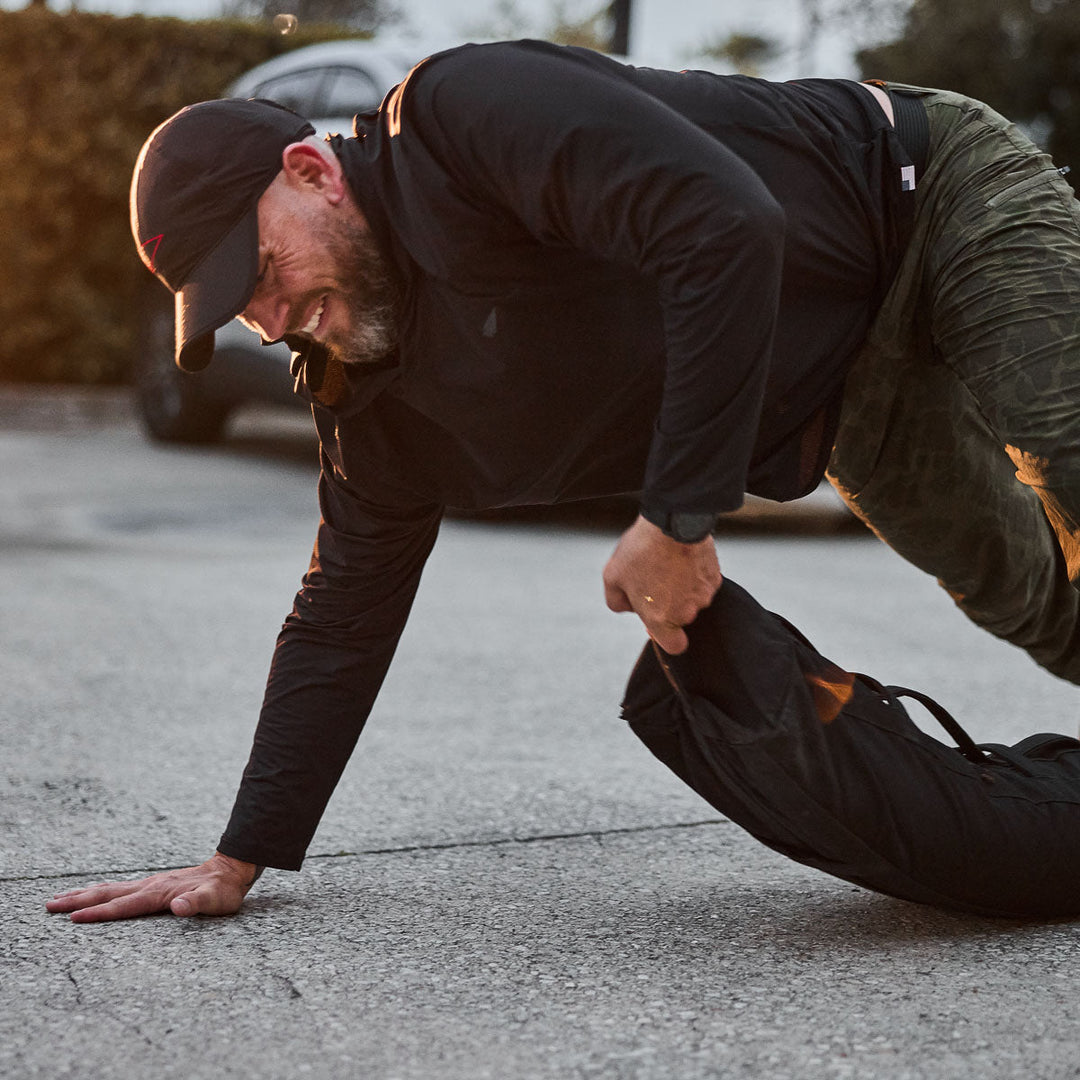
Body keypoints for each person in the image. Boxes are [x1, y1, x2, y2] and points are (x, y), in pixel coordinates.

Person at [47, 39, 1080, 922]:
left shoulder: (463, 119)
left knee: (1066, 443)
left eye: (262, 270)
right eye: (238, 309)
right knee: (1022, 589)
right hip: (835, 388)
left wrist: (675, 519)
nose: (268, 320)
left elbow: (727, 224)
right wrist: (241, 854)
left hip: (922, 195)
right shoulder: (370, 398)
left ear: (312, 172)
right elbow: (341, 613)